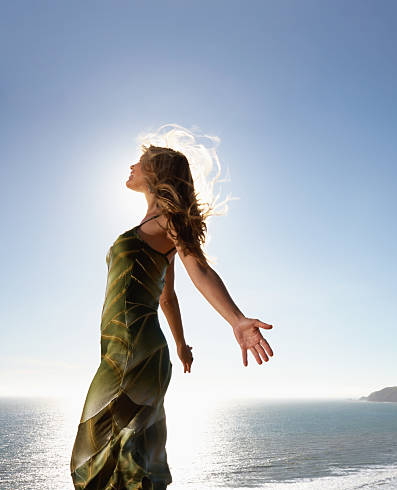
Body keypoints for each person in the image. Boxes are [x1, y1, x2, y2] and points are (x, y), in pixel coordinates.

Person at [70, 144, 274, 489]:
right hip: (129, 349)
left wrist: (236, 319)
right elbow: (167, 295)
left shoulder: (168, 218)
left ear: (156, 171)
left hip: (133, 348)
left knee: (94, 461)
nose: (131, 165)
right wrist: (181, 344)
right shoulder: (151, 222)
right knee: (135, 459)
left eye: (140, 161)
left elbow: (198, 266)